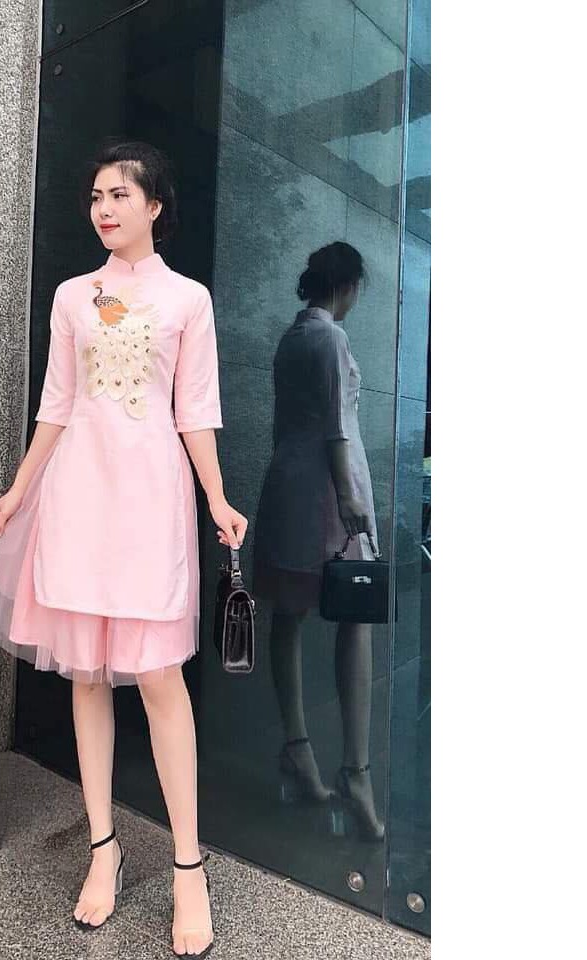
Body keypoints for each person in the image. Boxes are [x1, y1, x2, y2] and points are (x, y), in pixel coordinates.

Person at [0, 139, 247, 957]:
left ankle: (187, 867)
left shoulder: (188, 300)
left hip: (150, 500)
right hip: (78, 495)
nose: (103, 208)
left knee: (160, 677)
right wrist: (20, 488)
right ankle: (103, 848)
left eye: (119, 195)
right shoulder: (72, 296)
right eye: (96, 196)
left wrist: (216, 496)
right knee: (88, 676)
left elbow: (194, 409)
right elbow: (57, 402)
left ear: (154, 206)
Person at [253, 241, 384, 841]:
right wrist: (351, 498)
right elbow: (337, 426)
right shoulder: (330, 338)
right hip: (330, 492)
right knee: (355, 617)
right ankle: (355, 771)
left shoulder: (291, 338)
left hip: (289, 487)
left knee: (289, 616)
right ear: (348, 285)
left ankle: (298, 750)